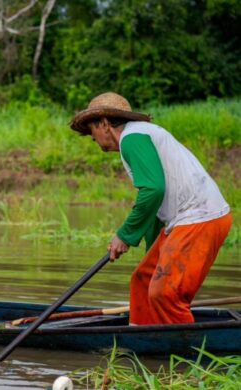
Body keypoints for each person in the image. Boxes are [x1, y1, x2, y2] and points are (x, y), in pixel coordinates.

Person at [70, 92, 232, 325]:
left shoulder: (131, 138)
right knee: (143, 280)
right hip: (184, 220)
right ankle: (142, 340)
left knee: (164, 293)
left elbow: (153, 190)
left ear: (104, 124)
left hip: (200, 217)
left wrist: (124, 235)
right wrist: (152, 253)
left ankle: (187, 352)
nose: (93, 139)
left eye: (92, 132)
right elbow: (157, 201)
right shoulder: (139, 135)